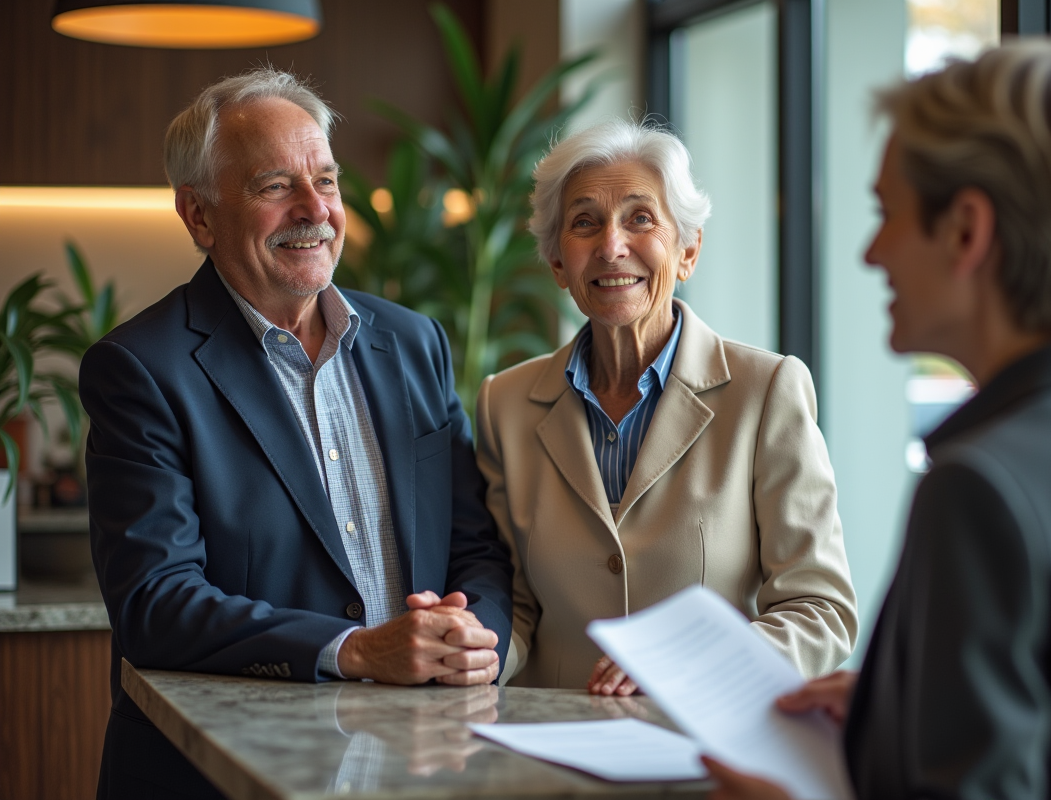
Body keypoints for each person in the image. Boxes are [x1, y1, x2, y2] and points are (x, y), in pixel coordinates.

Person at [706, 41, 1051, 800]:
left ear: (967, 231)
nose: (872, 253)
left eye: (887, 213)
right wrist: (896, 712)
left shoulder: (981, 491)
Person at [82, 68, 513, 800]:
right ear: (199, 215)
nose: (315, 210)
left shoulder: (415, 343)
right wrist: (355, 650)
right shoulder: (140, 368)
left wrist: (478, 640)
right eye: (275, 186)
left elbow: (475, 547)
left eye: (327, 180)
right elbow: (156, 602)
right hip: (219, 775)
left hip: (417, 764)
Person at [475, 120, 858, 694]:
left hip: (705, 750)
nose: (611, 245)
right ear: (558, 263)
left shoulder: (767, 389)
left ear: (688, 250)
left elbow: (820, 609)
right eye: (585, 223)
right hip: (550, 749)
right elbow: (518, 607)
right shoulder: (503, 403)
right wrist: (476, 655)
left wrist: (695, 663)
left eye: (640, 218)